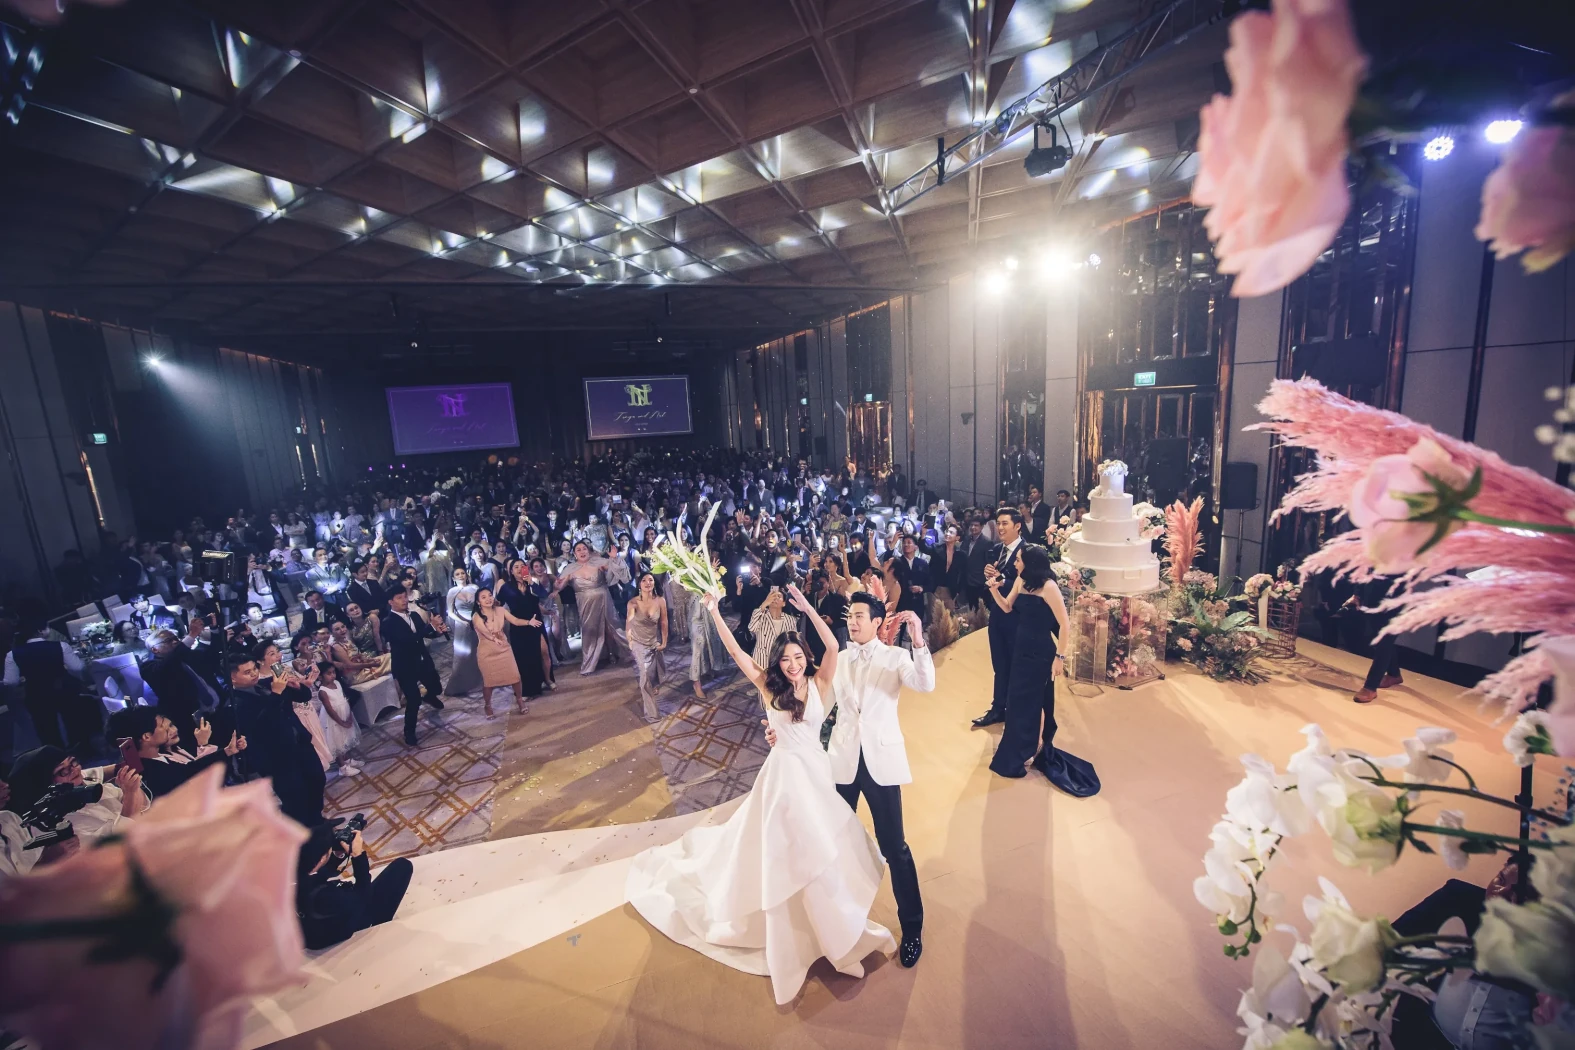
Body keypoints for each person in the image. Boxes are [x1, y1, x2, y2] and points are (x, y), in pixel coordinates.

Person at [628, 585, 894, 1005]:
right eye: (785, 659)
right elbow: (736, 653)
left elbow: (830, 642)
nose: (792, 665)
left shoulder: (822, 680)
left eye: (797, 657)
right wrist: (714, 611)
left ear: (806, 658)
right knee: (796, 855)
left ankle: (834, 934)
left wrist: (805, 607)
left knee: (824, 852)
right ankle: (810, 938)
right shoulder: (769, 686)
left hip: (817, 778)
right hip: (783, 783)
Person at [813, 592, 934, 968]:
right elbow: (820, 705)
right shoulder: (841, 659)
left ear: (879, 622)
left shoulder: (896, 658)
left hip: (880, 763)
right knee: (835, 842)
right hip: (843, 761)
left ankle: (912, 926)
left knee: (894, 846)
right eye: (850, 615)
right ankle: (836, 925)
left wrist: (917, 641)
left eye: (861, 616)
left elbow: (925, 684)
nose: (852, 621)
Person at [985, 544, 1100, 794]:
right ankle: (1023, 744)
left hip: (1042, 653)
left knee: (1036, 700)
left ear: (1029, 562)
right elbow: (1006, 607)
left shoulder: (1049, 587)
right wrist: (994, 591)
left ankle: (1035, 744)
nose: (1015, 563)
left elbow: (1065, 624)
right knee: (1016, 699)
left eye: (1018, 560)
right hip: (1021, 649)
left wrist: (1060, 656)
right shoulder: (1020, 581)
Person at [231, 653, 326, 826]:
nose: (253, 674)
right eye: (247, 672)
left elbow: (303, 697)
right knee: (295, 798)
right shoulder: (235, 702)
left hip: (299, 743)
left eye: (254, 669)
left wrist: (297, 686)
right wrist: (275, 694)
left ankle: (318, 823)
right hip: (276, 757)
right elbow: (262, 724)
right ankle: (302, 838)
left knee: (317, 779)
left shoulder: (264, 684)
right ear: (233, 678)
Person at [295, 822, 413, 950]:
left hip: (312, 931)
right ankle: (378, 927)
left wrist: (337, 856)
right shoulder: (328, 896)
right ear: (322, 858)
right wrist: (358, 856)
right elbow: (363, 895)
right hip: (339, 931)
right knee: (402, 867)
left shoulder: (291, 878)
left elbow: (316, 877)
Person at [7, 746, 146, 844]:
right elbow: (118, 844)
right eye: (63, 771)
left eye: (73, 762)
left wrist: (131, 789)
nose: (74, 769)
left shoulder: (86, 785)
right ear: (46, 785)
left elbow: (143, 806)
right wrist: (131, 794)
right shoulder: (54, 824)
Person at [105, 704, 243, 799]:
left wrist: (228, 750)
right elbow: (188, 772)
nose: (171, 730)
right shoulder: (151, 772)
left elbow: (188, 769)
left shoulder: (156, 758)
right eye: (162, 726)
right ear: (146, 736)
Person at [4, 616, 95, 749]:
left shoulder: (13, 654)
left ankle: (56, 758)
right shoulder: (59, 646)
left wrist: (23, 680)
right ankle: (83, 750)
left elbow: (10, 681)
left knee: (46, 728)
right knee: (74, 721)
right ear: (40, 631)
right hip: (63, 689)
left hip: (36, 694)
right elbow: (77, 667)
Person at [974, 507, 1025, 729]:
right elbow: (993, 578)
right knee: (999, 664)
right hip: (997, 614)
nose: (1001, 528)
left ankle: (1015, 709)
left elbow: (1028, 584)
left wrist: (1002, 578)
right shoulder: (996, 550)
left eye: (1005, 523)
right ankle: (998, 708)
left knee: (1016, 666)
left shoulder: (1028, 551)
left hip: (1017, 618)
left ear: (1017, 526)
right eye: (999, 523)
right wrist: (989, 574)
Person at [380, 587, 449, 747]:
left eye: (405, 596)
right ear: (391, 602)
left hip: (422, 660)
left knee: (437, 687)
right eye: (399, 597)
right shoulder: (388, 622)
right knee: (413, 700)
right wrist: (430, 626)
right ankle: (409, 732)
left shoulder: (415, 615)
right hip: (405, 666)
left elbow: (424, 635)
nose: (404, 600)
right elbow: (407, 640)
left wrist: (437, 631)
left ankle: (430, 696)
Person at [139, 623, 219, 751]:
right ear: (155, 649)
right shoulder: (149, 667)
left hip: (213, 710)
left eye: (176, 638)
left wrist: (214, 630)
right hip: (187, 719)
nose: (176, 641)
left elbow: (211, 654)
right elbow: (168, 665)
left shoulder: (185, 656)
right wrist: (191, 636)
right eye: (168, 640)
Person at [553, 540, 628, 675]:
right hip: (585, 603)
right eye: (578, 550)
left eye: (584, 549)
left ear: (588, 551)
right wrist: (557, 584)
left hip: (604, 598)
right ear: (574, 554)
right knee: (589, 631)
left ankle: (619, 653)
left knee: (612, 627)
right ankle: (589, 663)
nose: (582, 552)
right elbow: (559, 586)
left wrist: (613, 558)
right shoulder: (570, 569)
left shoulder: (598, 562)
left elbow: (616, 570)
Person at [471, 585, 530, 717]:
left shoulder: (500, 610)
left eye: (490, 595)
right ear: (478, 602)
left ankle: (520, 700)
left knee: (515, 676)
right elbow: (484, 631)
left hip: (504, 648)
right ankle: (487, 705)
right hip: (487, 652)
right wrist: (494, 638)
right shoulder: (476, 615)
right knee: (489, 682)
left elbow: (515, 620)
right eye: (483, 597)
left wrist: (528, 622)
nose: (488, 599)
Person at [495, 559, 546, 699]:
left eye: (522, 566)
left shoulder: (532, 583)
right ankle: (526, 690)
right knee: (521, 657)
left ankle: (537, 686)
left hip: (535, 622)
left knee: (536, 655)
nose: (519, 569)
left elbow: (543, 594)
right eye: (515, 567)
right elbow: (498, 603)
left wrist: (530, 581)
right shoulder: (506, 587)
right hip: (518, 624)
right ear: (510, 571)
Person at [625, 572, 668, 722]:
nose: (647, 582)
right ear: (639, 585)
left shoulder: (660, 601)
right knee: (645, 679)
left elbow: (664, 622)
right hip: (638, 644)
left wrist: (664, 641)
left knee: (653, 674)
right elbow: (629, 623)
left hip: (653, 643)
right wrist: (629, 640)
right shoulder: (633, 603)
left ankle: (653, 686)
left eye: (650, 580)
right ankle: (652, 714)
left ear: (654, 583)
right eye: (644, 580)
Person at [687, 550, 729, 699]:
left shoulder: (713, 574)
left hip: (710, 613)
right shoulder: (687, 573)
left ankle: (709, 669)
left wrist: (713, 575)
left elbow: (721, 596)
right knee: (699, 645)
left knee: (712, 641)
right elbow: (691, 587)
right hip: (696, 615)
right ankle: (696, 682)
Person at [314, 663, 361, 777]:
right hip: (333, 720)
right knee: (337, 742)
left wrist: (349, 716)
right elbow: (329, 710)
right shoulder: (323, 691)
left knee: (346, 738)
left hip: (344, 713)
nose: (333, 675)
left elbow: (344, 698)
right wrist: (341, 722)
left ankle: (347, 759)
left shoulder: (337, 683)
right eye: (329, 673)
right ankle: (342, 767)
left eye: (333, 672)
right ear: (320, 676)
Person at [443, 567, 482, 698]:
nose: (460, 575)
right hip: (461, 625)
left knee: (479, 651)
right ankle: (458, 686)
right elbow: (450, 612)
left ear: (466, 575)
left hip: (477, 622)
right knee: (463, 654)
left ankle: (480, 682)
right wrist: (463, 621)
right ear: (453, 578)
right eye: (457, 574)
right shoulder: (452, 591)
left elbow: (480, 605)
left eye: (462, 573)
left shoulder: (474, 588)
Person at [747, 586, 797, 669]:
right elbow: (752, 628)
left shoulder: (790, 620)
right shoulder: (760, 615)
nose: (775, 598)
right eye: (773, 596)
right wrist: (763, 605)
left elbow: (793, 641)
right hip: (762, 660)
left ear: (784, 603)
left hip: (781, 660)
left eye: (779, 596)